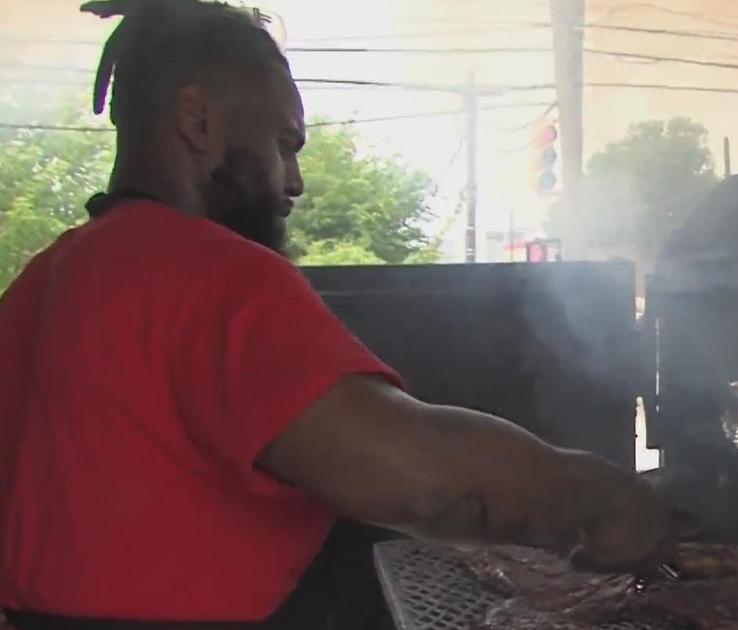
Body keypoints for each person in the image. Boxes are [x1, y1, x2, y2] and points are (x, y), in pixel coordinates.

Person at [0, 1, 675, 628]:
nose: (293, 180)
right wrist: (597, 493)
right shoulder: (211, 272)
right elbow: (416, 477)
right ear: (199, 122)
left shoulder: (43, 281)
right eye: (286, 143)